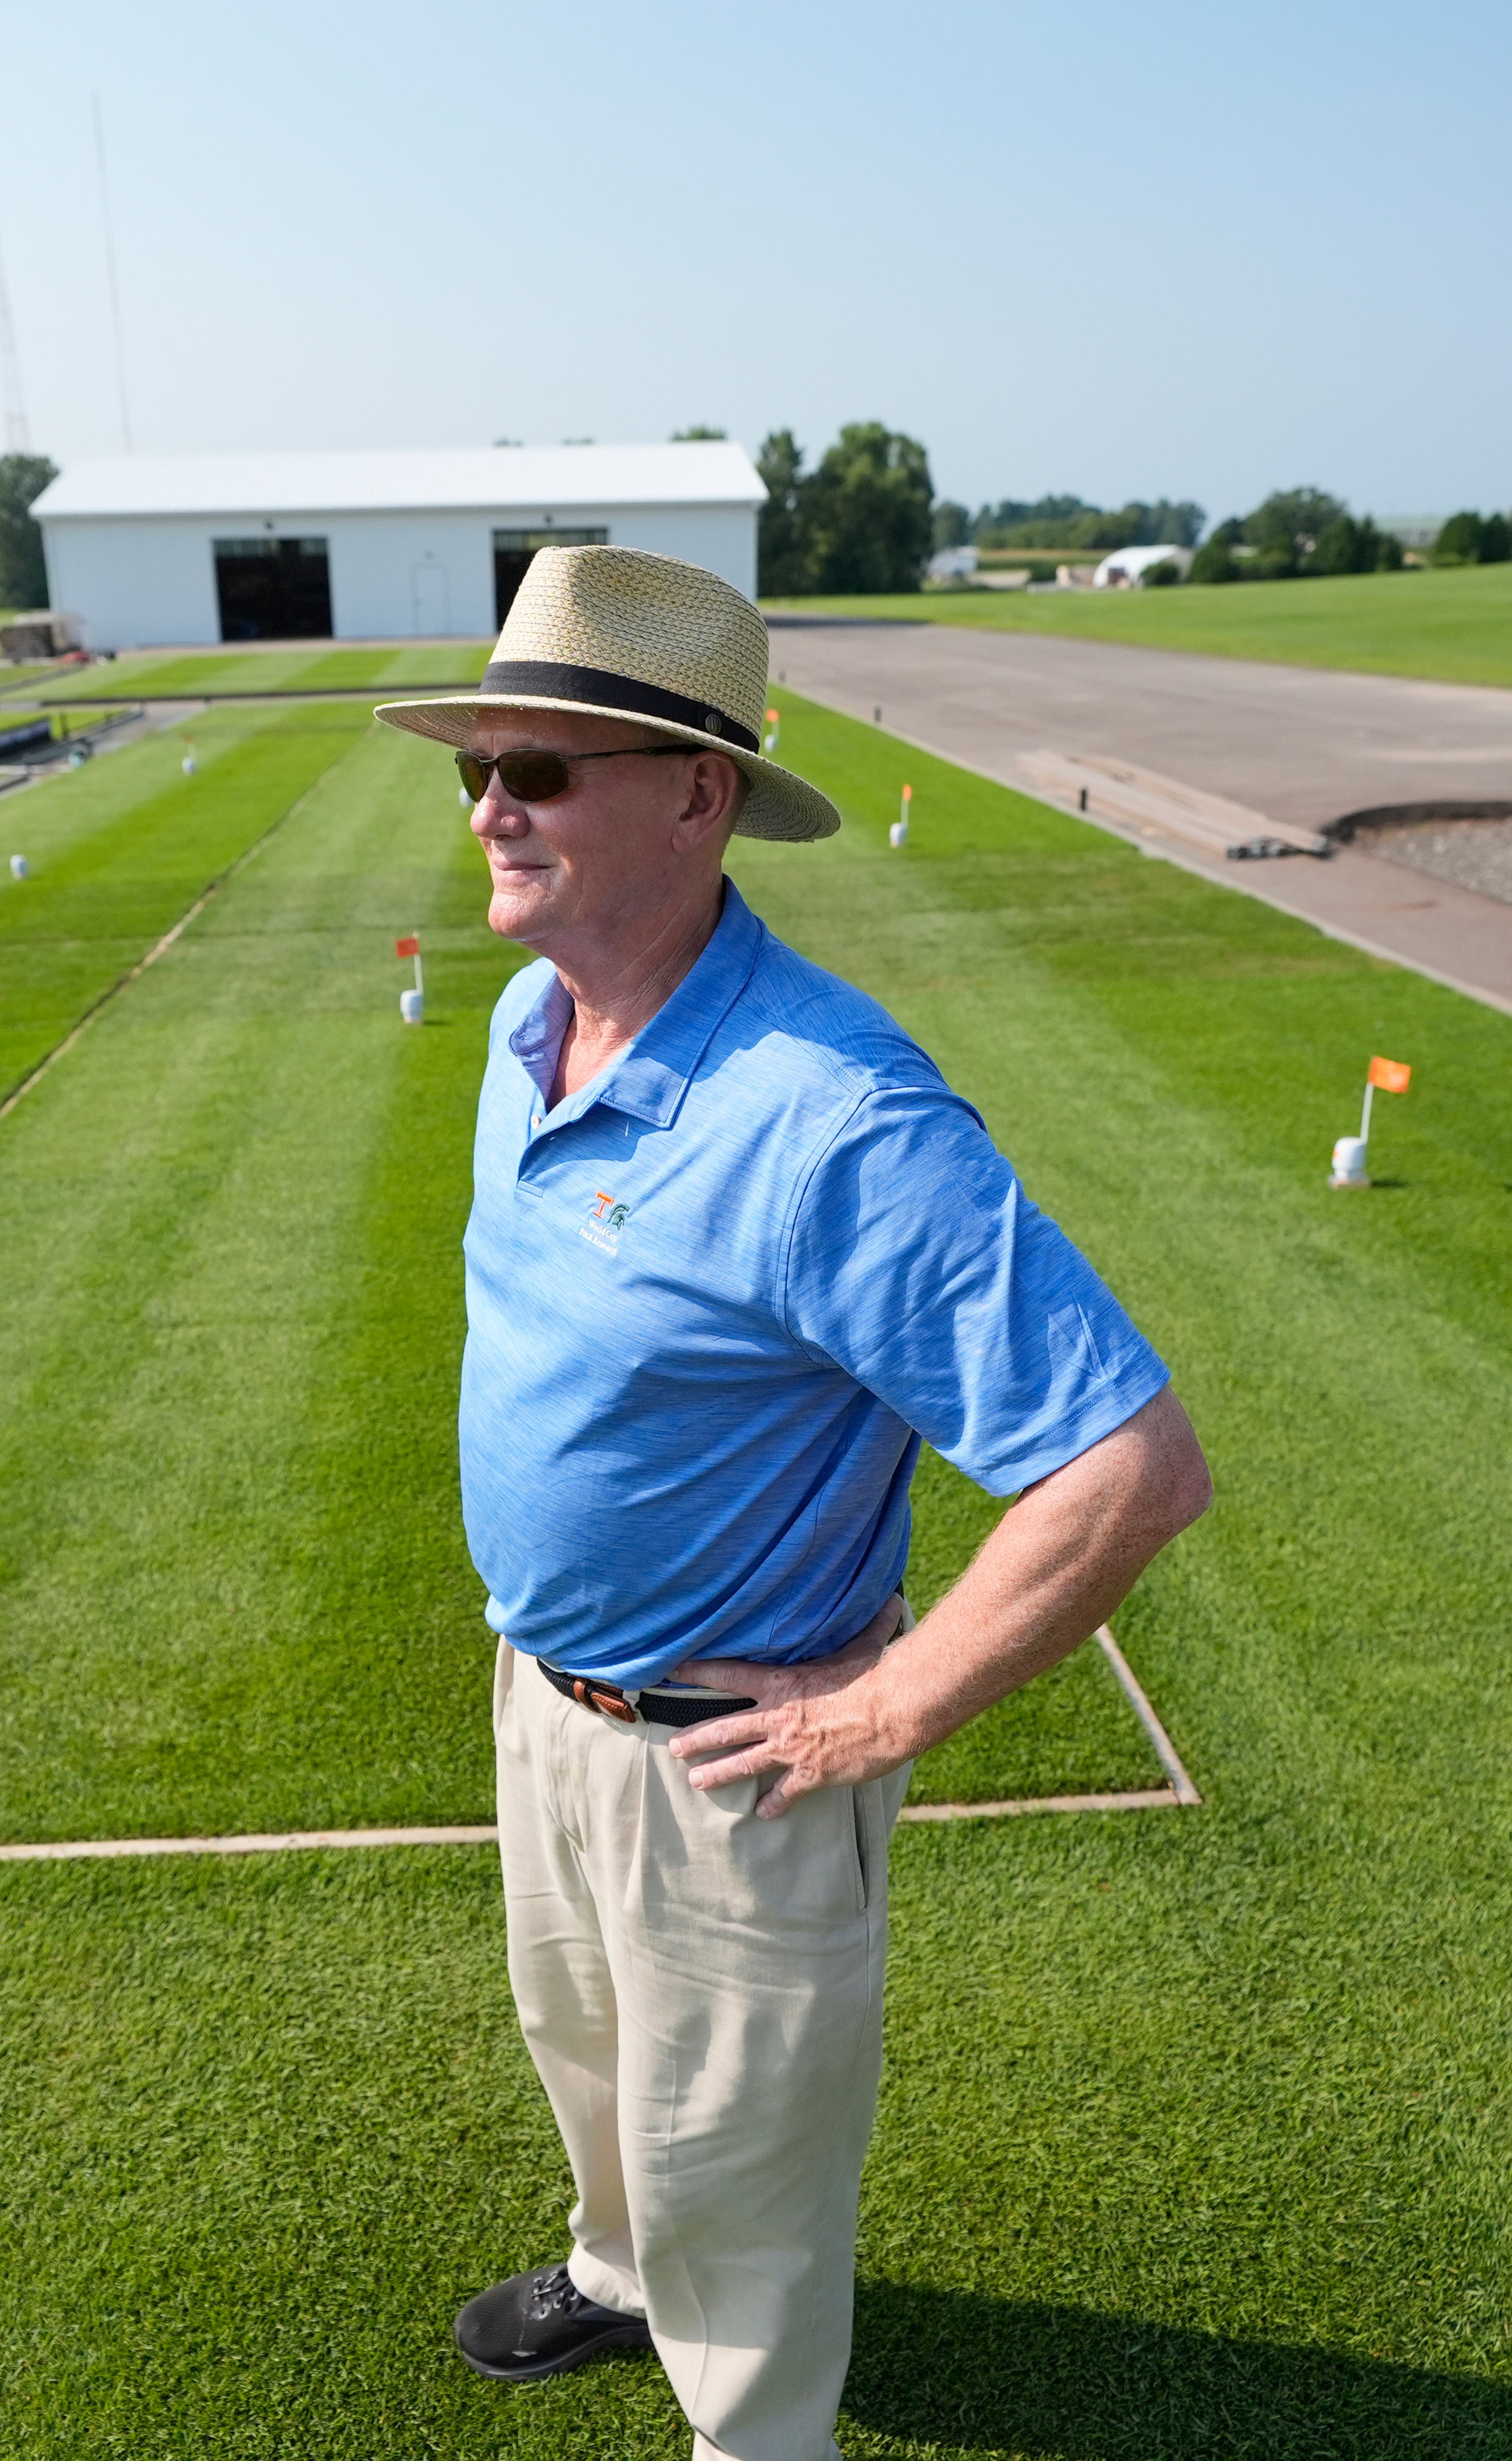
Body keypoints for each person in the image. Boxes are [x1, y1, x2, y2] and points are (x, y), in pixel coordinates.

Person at [374, 548, 1211, 2461]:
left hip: (734, 1762)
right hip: (552, 1695)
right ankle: (615, 2267)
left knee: (738, 2161)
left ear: (696, 791)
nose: (493, 803)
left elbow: (1131, 1465)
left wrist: (889, 1708)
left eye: (545, 768)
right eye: (477, 766)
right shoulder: (531, 1030)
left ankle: (758, 2437)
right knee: (587, 2056)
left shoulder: (836, 1119)